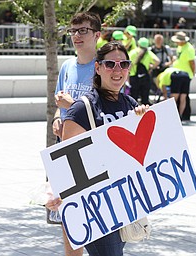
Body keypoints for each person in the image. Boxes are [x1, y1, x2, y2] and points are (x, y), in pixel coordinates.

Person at [47, 41, 149, 256]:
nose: (117, 70)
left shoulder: (130, 104)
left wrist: (145, 120)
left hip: (123, 201)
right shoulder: (82, 108)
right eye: (110, 64)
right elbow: (66, 159)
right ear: (98, 67)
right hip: (94, 203)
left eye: (123, 64)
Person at [51, 11, 101, 256]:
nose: (77, 36)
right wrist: (58, 118)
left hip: (93, 156)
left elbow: (104, 114)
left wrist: (71, 107)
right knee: (70, 223)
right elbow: (60, 103)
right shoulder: (67, 66)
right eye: (73, 31)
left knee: (97, 224)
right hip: (65, 153)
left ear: (97, 35)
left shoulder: (104, 68)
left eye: (84, 31)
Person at [171, 31, 195, 121]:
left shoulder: (189, 48)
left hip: (185, 74)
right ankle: (181, 115)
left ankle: (182, 115)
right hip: (177, 73)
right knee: (181, 96)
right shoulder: (180, 47)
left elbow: (192, 62)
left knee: (182, 96)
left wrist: (193, 73)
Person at [129, 37, 160, 105]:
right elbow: (157, 61)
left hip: (134, 77)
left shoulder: (133, 52)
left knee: (134, 98)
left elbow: (129, 65)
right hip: (145, 77)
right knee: (145, 99)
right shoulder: (148, 53)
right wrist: (151, 68)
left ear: (138, 43)